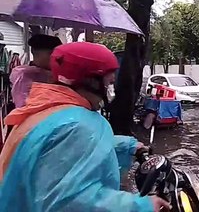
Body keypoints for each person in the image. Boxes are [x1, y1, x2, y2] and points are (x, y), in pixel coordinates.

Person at [0, 42, 170, 212]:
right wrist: (142, 206)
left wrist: (128, 146)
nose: (111, 89)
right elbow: (70, 203)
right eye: (108, 83)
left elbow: (64, 156)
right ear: (90, 81)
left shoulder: (49, 110)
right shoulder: (76, 127)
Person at [9, 34, 62, 108]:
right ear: (34, 52)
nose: (55, 57)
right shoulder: (24, 75)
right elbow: (23, 104)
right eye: (50, 53)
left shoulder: (59, 73)